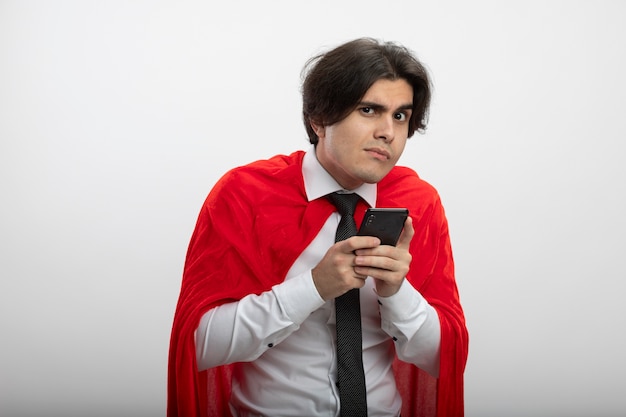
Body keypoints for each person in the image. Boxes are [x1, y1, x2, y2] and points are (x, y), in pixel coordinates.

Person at [168, 37, 468, 417]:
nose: (388, 133)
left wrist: (396, 291)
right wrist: (313, 287)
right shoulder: (245, 194)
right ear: (319, 118)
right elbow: (198, 346)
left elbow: (445, 361)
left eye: (400, 116)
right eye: (369, 110)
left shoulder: (417, 203)